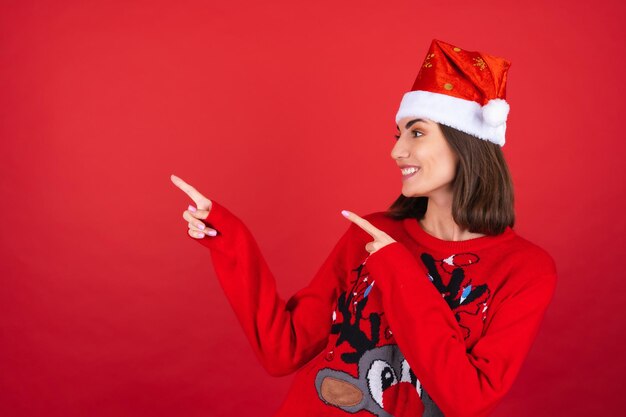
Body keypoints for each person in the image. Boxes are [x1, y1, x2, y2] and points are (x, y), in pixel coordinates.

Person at [171, 38, 557, 417]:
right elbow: (283, 349)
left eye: (416, 132)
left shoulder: (526, 270)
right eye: (398, 134)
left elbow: (468, 399)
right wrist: (227, 238)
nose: (396, 150)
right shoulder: (371, 234)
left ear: (465, 144)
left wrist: (398, 268)